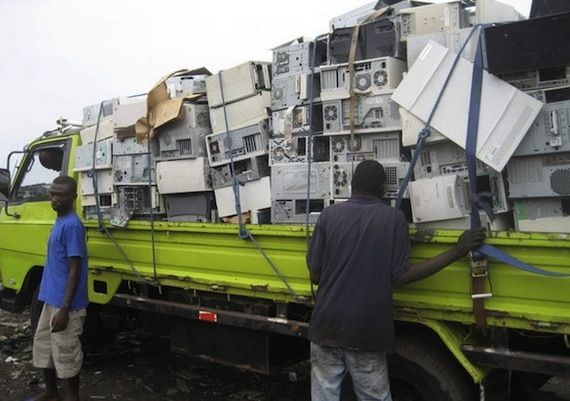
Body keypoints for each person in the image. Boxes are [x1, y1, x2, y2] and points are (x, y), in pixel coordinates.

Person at [306, 160, 485, 401]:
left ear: (350, 184)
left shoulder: (328, 215)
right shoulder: (393, 218)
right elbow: (401, 276)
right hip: (366, 331)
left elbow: (315, 275)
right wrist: (457, 251)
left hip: (326, 325)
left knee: (323, 395)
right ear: (382, 189)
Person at [31, 175, 89, 401]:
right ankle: (51, 391)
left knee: (66, 353)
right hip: (51, 299)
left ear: (73, 198)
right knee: (44, 347)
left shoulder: (73, 225)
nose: (54, 199)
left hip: (67, 305)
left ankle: (72, 397)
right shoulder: (60, 221)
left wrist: (65, 308)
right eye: (52, 194)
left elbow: (75, 269)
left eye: (60, 195)